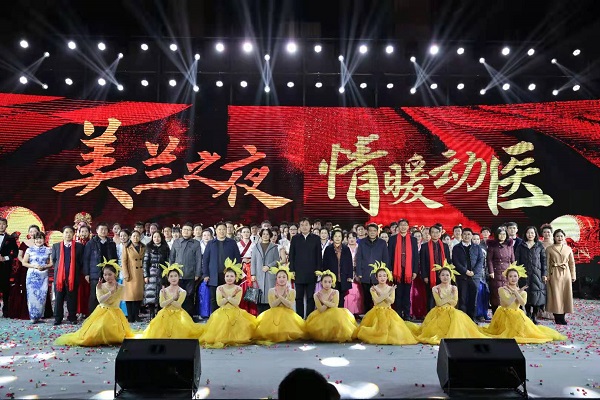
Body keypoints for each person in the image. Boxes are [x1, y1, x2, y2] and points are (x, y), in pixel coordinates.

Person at [55, 260, 134, 346]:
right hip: (103, 311)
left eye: (110, 274)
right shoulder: (100, 286)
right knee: (100, 328)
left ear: (115, 274)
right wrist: (110, 293)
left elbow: (123, 298)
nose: (107, 277)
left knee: (117, 332)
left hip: (116, 312)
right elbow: (100, 300)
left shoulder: (121, 287)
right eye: (105, 275)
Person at [481, 265, 565, 343]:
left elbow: (523, 303)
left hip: (516, 315)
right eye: (510, 276)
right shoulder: (502, 289)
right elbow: (507, 302)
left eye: (515, 276)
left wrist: (517, 292)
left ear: (518, 277)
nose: (513, 278)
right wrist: (516, 293)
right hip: (503, 314)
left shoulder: (523, 292)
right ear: (507, 278)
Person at [408, 263, 488, 345]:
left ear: (450, 277)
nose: (445, 277)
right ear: (439, 277)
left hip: (452, 312)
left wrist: (444, 299)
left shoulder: (454, 288)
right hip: (438, 312)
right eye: (443, 275)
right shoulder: (435, 288)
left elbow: (454, 302)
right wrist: (450, 298)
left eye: (447, 275)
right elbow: (439, 303)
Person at [356, 261, 417, 345]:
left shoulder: (390, 288)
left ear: (387, 277)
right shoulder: (373, 288)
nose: (382, 278)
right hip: (376, 312)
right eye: (380, 276)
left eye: (384, 276)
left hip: (389, 312)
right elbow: (377, 301)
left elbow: (391, 301)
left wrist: (382, 292)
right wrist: (387, 293)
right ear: (376, 277)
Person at [200, 259, 257, 348]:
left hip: (235, 311)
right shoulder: (219, 288)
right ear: (224, 277)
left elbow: (236, 303)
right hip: (222, 311)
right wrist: (231, 296)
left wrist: (225, 295)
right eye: (227, 276)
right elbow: (219, 303)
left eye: (231, 276)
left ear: (235, 277)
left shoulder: (238, 288)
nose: (229, 278)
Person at [142, 262, 203, 339]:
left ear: (179, 277)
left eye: (175, 276)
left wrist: (168, 299)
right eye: (171, 276)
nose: (173, 278)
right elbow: (162, 305)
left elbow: (178, 305)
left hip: (178, 315)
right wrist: (173, 298)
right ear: (168, 278)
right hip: (164, 315)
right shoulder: (163, 291)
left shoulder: (182, 291)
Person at [254, 263, 306, 343]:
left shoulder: (292, 291)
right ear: (276, 279)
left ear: (287, 278)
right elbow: (272, 305)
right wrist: (282, 297)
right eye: (279, 277)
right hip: (273, 314)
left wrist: (280, 296)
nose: (281, 279)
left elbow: (289, 305)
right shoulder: (271, 290)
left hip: (288, 315)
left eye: (284, 277)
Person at [305, 270, 357, 342]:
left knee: (339, 319)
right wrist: (328, 301)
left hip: (334, 313)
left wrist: (324, 301)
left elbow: (335, 305)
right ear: (321, 283)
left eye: (329, 282)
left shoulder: (335, 292)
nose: (327, 284)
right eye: (325, 282)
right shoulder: (317, 295)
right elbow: (321, 310)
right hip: (321, 315)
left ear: (332, 283)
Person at [202, 222, 242, 313]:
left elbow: (237, 259)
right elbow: (205, 260)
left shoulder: (232, 243)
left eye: (224, 229)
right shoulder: (210, 243)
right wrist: (206, 274)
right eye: (219, 229)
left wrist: (236, 274)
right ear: (216, 231)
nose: (222, 231)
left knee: (229, 297)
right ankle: (215, 318)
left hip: (228, 276)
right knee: (214, 299)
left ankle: (228, 317)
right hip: (213, 275)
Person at [288, 217, 322, 319]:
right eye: (302, 225)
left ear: (310, 226)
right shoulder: (295, 238)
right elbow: (291, 255)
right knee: (298, 297)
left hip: (312, 272)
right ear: (299, 227)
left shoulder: (316, 238)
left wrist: (319, 270)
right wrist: (292, 270)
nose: (304, 227)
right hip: (298, 272)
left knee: (310, 297)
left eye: (306, 224)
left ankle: (309, 318)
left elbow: (319, 256)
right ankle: (299, 319)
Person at [83, 223, 118, 314]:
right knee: (95, 296)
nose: (103, 231)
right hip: (95, 273)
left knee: (108, 295)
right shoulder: (91, 243)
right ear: (97, 231)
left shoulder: (111, 243)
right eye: (101, 229)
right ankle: (93, 315)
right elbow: (86, 259)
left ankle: (106, 315)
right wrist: (86, 274)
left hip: (109, 273)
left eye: (105, 229)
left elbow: (115, 258)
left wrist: (115, 272)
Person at [52, 226, 84, 325]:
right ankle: (58, 318)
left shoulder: (79, 246)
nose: (68, 234)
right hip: (59, 278)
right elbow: (54, 260)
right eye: (66, 232)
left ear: (73, 234)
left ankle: (72, 317)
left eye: (70, 232)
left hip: (73, 277)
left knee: (72, 298)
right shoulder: (56, 246)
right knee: (58, 298)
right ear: (63, 234)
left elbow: (81, 262)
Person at [388, 219, 419, 320]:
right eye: (401, 225)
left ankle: (407, 314)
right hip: (396, 270)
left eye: (405, 225)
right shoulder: (392, 239)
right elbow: (389, 256)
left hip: (409, 270)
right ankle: (397, 314)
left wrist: (415, 271)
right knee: (398, 293)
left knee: (407, 293)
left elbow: (415, 256)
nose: (403, 227)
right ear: (398, 227)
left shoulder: (413, 240)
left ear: (408, 227)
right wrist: (390, 270)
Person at [170, 222, 202, 318]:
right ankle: (178, 316)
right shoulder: (176, 242)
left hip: (190, 274)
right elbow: (172, 258)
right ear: (181, 231)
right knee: (177, 295)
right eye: (184, 229)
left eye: (188, 230)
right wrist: (171, 273)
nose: (186, 231)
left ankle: (189, 317)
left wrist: (197, 273)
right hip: (177, 275)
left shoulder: (196, 243)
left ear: (192, 232)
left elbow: (198, 259)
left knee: (189, 296)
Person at [515, 226, 547, 324]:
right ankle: (528, 314)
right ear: (525, 234)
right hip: (524, 275)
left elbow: (544, 261)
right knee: (526, 295)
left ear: (535, 234)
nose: (530, 235)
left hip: (537, 274)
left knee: (537, 296)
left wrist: (544, 274)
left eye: (532, 233)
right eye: (528, 233)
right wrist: (518, 274)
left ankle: (534, 315)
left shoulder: (539, 246)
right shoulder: (521, 246)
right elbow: (517, 261)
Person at [355, 224, 389, 314]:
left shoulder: (382, 243)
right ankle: (367, 316)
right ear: (367, 232)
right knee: (366, 297)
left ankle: (378, 315)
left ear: (377, 232)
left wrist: (385, 273)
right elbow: (359, 258)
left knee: (378, 297)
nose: (372, 233)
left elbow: (385, 258)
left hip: (378, 275)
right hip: (365, 273)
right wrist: (359, 273)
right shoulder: (362, 242)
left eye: (374, 231)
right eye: (370, 231)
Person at [452, 228, 484, 320]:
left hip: (474, 277)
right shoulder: (456, 248)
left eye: (469, 234)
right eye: (465, 234)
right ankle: (462, 320)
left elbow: (480, 261)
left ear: (472, 236)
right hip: (462, 276)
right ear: (461, 235)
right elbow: (455, 261)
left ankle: (471, 319)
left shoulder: (477, 247)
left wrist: (474, 272)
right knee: (462, 298)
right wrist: (465, 271)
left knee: (473, 298)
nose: (466, 236)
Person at [545, 229, 576, 325]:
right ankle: (557, 317)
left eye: (561, 236)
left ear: (564, 237)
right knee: (555, 295)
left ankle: (563, 317)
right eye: (557, 236)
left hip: (566, 274)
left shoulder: (568, 249)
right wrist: (547, 275)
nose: (559, 238)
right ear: (554, 237)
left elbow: (572, 263)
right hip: (554, 273)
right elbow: (547, 263)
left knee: (565, 295)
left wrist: (573, 275)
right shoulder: (549, 249)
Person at [7, 224, 37, 319]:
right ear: (28, 233)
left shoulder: (41, 242)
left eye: (35, 231)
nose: (33, 233)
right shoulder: (24, 243)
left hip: (37, 270)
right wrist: (25, 262)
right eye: (31, 231)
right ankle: (24, 310)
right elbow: (19, 255)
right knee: (24, 288)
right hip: (25, 269)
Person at [22, 231, 52, 323]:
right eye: (37, 238)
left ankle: (39, 316)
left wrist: (44, 266)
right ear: (34, 240)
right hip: (32, 276)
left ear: (44, 239)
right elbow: (24, 263)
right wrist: (34, 266)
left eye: (41, 238)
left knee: (42, 296)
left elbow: (51, 263)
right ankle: (32, 316)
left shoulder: (48, 250)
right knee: (31, 296)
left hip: (43, 276)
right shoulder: (29, 250)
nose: (39, 240)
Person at [420, 225, 451, 311]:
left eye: (437, 232)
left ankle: (442, 313)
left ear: (440, 233)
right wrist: (425, 276)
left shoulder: (445, 246)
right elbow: (422, 262)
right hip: (430, 275)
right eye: (433, 232)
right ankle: (431, 314)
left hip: (443, 275)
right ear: (430, 234)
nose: (435, 234)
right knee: (431, 296)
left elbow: (448, 261)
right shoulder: (424, 246)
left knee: (442, 295)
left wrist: (448, 274)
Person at [250, 228, 280, 314]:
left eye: (267, 234)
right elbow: (253, 261)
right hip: (258, 275)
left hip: (270, 275)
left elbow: (277, 261)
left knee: (269, 297)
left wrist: (268, 266)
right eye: (263, 234)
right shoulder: (256, 247)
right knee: (259, 297)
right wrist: (253, 274)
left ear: (270, 235)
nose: (265, 236)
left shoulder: (274, 247)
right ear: (261, 235)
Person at [321, 229, 353, 307]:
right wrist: (326, 276)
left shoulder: (346, 248)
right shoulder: (328, 249)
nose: (337, 238)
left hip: (344, 277)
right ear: (332, 237)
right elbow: (325, 264)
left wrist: (350, 276)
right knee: (332, 298)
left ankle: (340, 313)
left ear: (342, 238)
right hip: (332, 277)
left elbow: (350, 263)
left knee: (341, 298)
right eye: (335, 236)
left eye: (339, 236)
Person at [487, 227, 514, 313]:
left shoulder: (509, 245)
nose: (502, 236)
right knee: (496, 292)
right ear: (497, 235)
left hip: (507, 271)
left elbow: (512, 259)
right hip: (496, 271)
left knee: (507, 292)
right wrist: (491, 271)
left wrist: (514, 270)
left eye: (504, 234)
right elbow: (489, 260)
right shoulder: (492, 246)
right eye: (500, 234)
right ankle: (495, 312)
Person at [143, 231, 170, 319]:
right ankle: (151, 315)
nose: (156, 239)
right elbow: (145, 262)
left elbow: (168, 261)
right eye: (154, 237)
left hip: (162, 273)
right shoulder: (149, 247)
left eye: (158, 237)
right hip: (151, 273)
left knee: (161, 295)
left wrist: (167, 273)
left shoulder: (166, 248)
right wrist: (146, 275)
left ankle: (159, 315)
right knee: (150, 295)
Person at [122, 230, 146, 323]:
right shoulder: (126, 247)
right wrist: (126, 274)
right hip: (131, 274)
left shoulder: (143, 247)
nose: (135, 238)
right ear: (130, 237)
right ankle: (130, 316)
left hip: (140, 273)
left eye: (137, 236)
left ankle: (136, 315)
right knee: (129, 296)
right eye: (134, 236)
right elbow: (124, 261)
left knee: (138, 296)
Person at [237, 226, 257, 316]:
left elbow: (257, 257)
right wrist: (242, 260)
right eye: (244, 232)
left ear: (250, 233)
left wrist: (251, 260)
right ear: (241, 233)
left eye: (247, 232)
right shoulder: (237, 244)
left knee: (251, 287)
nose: (246, 234)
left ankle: (252, 311)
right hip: (241, 269)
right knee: (242, 288)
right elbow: (235, 256)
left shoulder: (254, 244)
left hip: (252, 268)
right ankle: (242, 310)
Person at [343, 232, 364, 317]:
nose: (352, 239)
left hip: (358, 272)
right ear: (347, 239)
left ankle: (357, 311)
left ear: (356, 239)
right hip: (348, 272)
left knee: (358, 293)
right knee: (349, 293)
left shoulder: (360, 247)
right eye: (350, 238)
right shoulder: (344, 248)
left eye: (353, 238)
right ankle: (348, 311)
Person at [76, 225, 91, 318]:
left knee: (87, 292)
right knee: (79, 292)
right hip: (78, 271)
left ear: (89, 233)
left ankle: (87, 311)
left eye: (86, 231)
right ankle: (79, 311)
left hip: (89, 271)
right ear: (79, 233)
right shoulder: (76, 244)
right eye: (82, 231)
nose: (84, 233)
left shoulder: (92, 243)